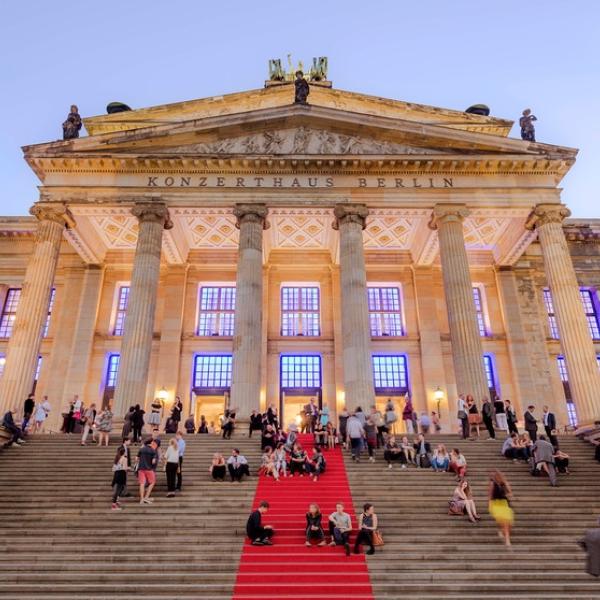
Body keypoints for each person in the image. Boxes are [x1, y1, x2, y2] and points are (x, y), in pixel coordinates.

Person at [488, 470, 514, 546]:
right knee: (505, 523)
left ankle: (502, 532)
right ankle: (507, 541)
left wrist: (508, 493)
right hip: (496, 504)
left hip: (505, 503)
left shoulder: (504, 483)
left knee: (509, 523)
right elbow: (490, 495)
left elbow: (510, 493)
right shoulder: (493, 484)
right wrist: (490, 505)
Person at [136, 438, 157, 505]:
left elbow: (136, 458)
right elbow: (153, 462)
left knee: (142, 483)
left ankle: (141, 499)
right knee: (152, 482)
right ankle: (146, 497)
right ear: (151, 443)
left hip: (141, 468)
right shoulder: (152, 451)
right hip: (149, 469)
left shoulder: (141, 449)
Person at [111, 446, 128, 511]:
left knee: (119, 489)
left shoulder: (117, 458)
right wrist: (128, 468)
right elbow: (124, 468)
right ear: (123, 452)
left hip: (116, 474)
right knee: (118, 490)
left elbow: (113, 468)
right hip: (121, 475)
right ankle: (114, 505)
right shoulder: (124, 458)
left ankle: (116, 502)